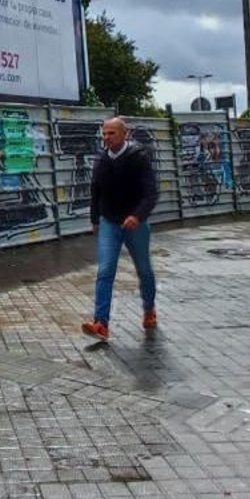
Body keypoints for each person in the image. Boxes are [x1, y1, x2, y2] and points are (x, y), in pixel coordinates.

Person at [81, 116, 160, 341]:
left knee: (144, 270)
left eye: (111, 133)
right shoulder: (101, 159)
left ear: (124, 134)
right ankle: (101, 324)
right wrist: (95, 219)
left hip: (135, 224)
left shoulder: (138, 157)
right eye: (104, 134)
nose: (106, 138)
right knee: (105, 271)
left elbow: (151, 193)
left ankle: (149, 309)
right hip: (109, 222)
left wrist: (138, 216)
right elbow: (95, 191)